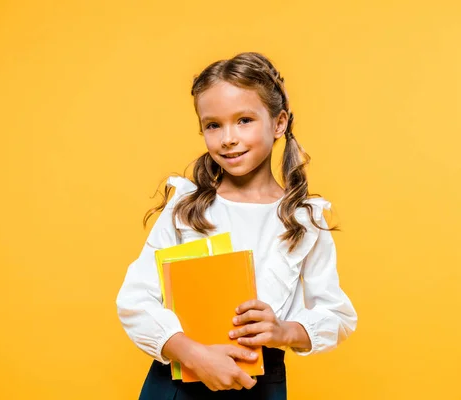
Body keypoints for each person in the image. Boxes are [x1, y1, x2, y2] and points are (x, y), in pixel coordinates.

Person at [116, 52, 357, 400]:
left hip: (259, 385)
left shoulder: (304, 220)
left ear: (279, 123)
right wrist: (192, 353)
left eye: (244, 120)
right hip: (177, 381)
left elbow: (337, 315)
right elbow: (135, 299)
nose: (228, 138)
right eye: (214, 125)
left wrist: (283, 331)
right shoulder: (186, 209)